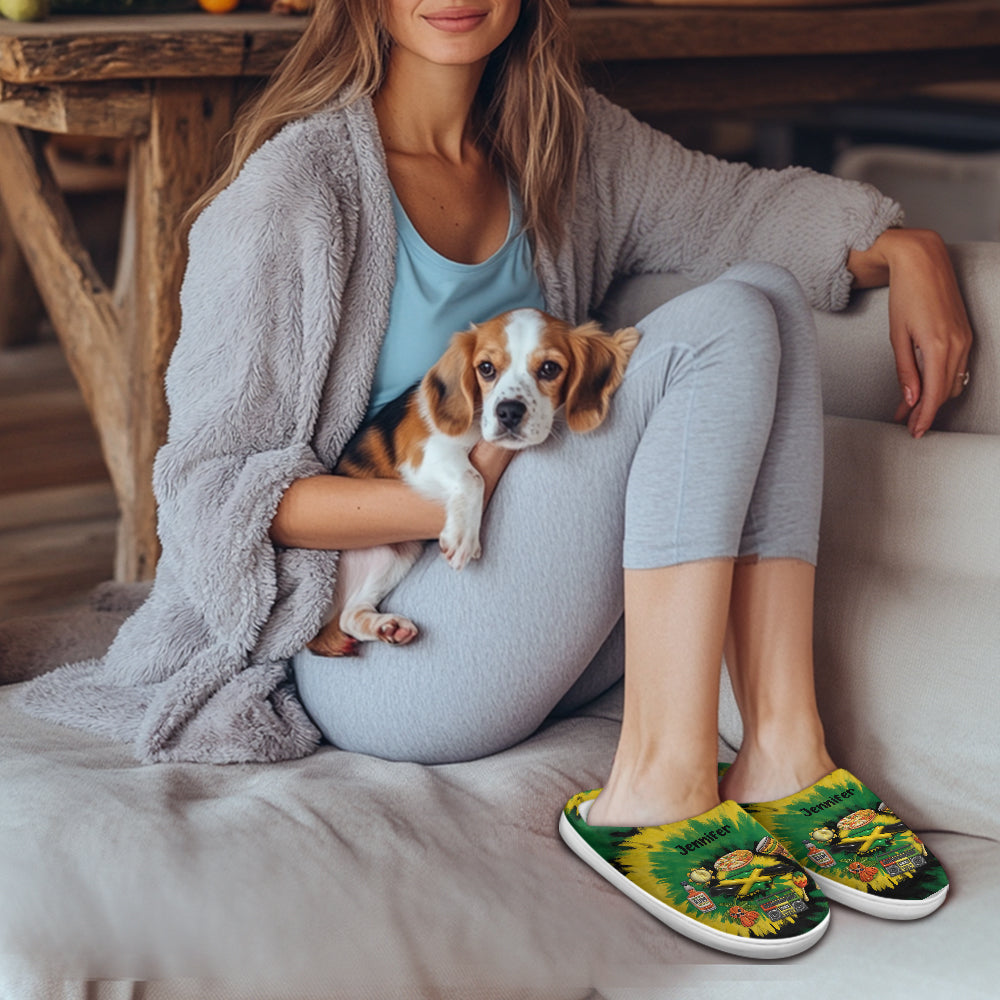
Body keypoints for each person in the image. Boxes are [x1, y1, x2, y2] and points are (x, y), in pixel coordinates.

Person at [22, 0, 970, 957]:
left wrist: (900, 244)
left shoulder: (565, 148)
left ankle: (784, 753)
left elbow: (740, 210)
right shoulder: (294, 196)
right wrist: (450, 489)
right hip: (387, 656)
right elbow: (208, 498)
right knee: (726, 322)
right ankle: (656, 783)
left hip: (536, 613)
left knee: (766, 294)